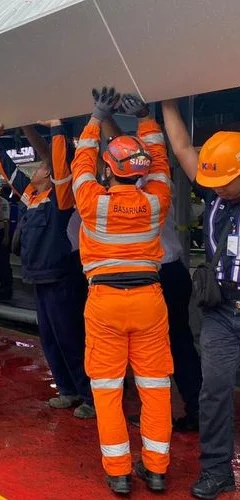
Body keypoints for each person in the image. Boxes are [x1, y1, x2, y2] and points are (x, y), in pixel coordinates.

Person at [72, 88, 173, 494]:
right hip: (150, 301)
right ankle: (158, 470)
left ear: (109, 171)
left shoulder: (92, 201)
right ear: (140, 173)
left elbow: (80, 165)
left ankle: (118, 474)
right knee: (155, 387)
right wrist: (147, 121)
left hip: (105, 304)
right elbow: (162, 168)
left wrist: (96, 117)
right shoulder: (155, 201)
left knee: (108, 389)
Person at [102, 116, 202, 433]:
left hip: (154, 278)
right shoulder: (159, 185)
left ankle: (163, 415)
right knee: (179, 345)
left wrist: (103, 121)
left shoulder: (136, 190)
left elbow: (125, 158)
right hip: (172, 273)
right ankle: (195, 409)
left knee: (152, 356)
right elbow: (130, 156)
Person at [162, 98, 240, 499]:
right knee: (214, 390)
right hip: (221, 312)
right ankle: (217, 471)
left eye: (226, 181)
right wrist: (167, 101)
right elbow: (181, 149)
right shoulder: (214, 194)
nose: (218, 188)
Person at [0, 119, 95, 419]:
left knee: (71, 337)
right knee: (50, 339)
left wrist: (57, 128)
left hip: (62, 279)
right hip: (38, 279)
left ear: (49, 174)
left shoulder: (61, 198)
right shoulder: (32, 197)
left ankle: (89, 395)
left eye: (39, 167)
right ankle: (67, 390)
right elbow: (9, 173)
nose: (33, 170)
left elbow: (61, 166)